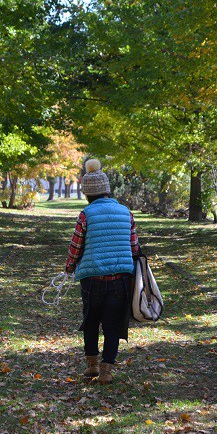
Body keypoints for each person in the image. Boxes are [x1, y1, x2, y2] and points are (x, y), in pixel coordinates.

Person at [65, 159, 142, 384]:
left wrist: (69, 267)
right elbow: (134, 246)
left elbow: (76, 246)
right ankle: (107, 370)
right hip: (120, 279)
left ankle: (92, 366)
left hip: (92, 278)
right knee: (112, 324)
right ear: (108, 190)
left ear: (88, 194)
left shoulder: (86, 214)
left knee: (90, 321)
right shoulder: (126, 213)